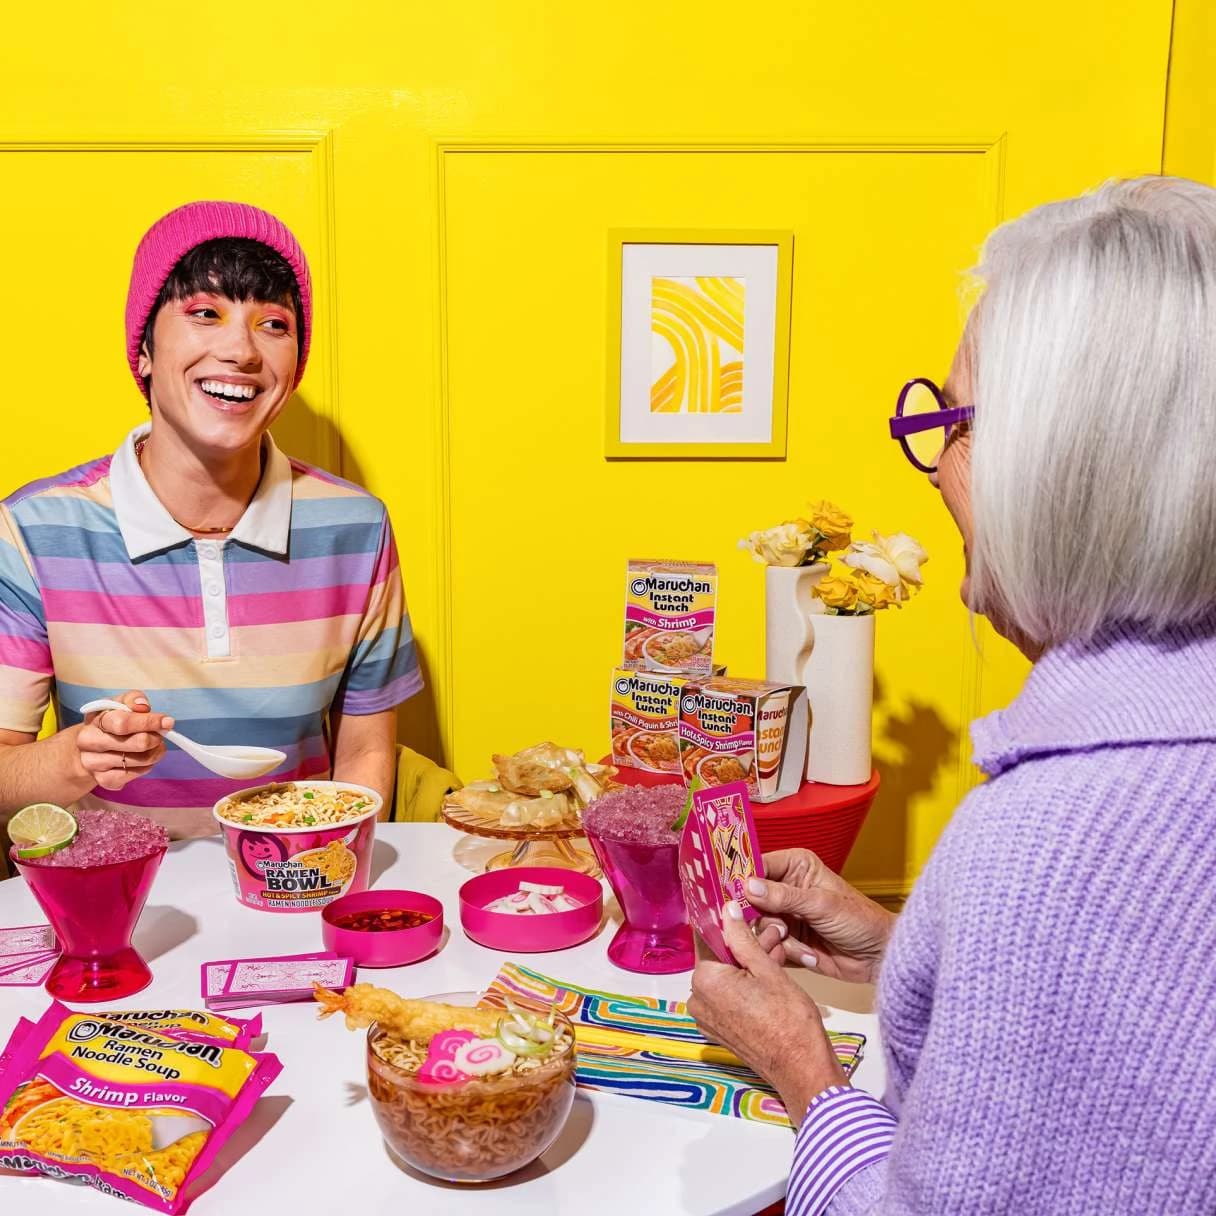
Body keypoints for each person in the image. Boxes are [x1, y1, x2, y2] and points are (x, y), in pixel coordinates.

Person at [688, 175, 1216, 1214]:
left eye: (956, 421)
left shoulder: (1046, 839)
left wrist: (804, 1068)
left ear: (1070, 465)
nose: (932, 468)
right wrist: (914, 947)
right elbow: (1142, 1048)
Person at [0, 201, 422, 840]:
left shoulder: (354, 526)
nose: (240, 350)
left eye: (273, 323)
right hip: (110, 898)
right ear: (143, 349)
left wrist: (326, 869)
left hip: (297, 882)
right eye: (204, 313)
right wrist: (77, 757)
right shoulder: (33, 529)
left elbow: (364, 750)